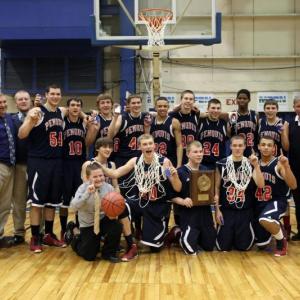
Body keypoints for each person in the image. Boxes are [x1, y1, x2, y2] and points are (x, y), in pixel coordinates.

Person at [99, 134, 182, 252]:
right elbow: (115, 174)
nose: (148, 146)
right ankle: (131, 245)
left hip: (157, 206)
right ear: (140, 147)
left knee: (154, 249)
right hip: (140, 201)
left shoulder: (164, 163)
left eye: (150, 143)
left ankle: (168, 234)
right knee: (120, 206)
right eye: (145, 144)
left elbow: (177, 188)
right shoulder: (135, 161)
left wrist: (174, 176)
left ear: (154, 146)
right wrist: (98, 164)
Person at [18, 84, 66, 252]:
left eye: (57, 93)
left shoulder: (61, 111)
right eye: (52, 94)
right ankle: (35, 237)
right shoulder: (36, 112)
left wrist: (85, 114)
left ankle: (49, 234)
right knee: (37, 202)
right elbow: (22, 134)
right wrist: (30, 120)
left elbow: (74, 110)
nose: (55, 96)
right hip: (39, 162)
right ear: (46, 95)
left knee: (52, 202)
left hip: (57, 162)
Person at [81, 137, 138, 261]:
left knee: (121, 207)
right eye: (104, 147)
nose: (108, 149)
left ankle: (128, 245)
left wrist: (115, 200)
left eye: (110, 147)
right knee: (90, 255)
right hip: (92, 208)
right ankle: (74, 234)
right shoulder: (88, 164)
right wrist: (106, 203)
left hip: (107, 204)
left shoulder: (112, 164)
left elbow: (116, 186)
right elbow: (86, 188)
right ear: (97, 149)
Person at [215, 135, 264, 251]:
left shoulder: (251, 164)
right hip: (227, 210)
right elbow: (216, 189)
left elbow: (261, 185)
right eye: (235, 145)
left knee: (244, 247)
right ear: (230, 146)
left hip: (245, 210)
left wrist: (256, 165)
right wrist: (217, 210)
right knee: (223, 247)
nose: (237, 148)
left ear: (244, 147)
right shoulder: (221, 164)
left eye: (240, 146)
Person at [66, 162, 123, 262]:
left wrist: (114, 213)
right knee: (89, 256)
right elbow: (73, 208)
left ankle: (108, 253)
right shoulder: (83, 188)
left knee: (116, 226)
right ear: (88, 178)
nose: (99, 178)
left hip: (102, 220)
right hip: (88, 224)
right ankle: (74, 234)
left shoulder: (108, 188)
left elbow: (116, 206)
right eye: (95, 176)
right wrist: (86, 194)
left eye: (101, 175)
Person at [170, 141, 216, 254]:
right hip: (189, 213)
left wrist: (213, 198)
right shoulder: (180, 172)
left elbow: (211, 192)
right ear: (188, 154)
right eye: (195, 152)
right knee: (190, 250)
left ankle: (196, 235)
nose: (199, 154)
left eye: (201, 152)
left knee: (209, 247)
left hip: (205, 213)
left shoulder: (206, 170)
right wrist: (183, 201)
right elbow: (171, 196)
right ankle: (178, 232)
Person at [254, 137, 297, 256]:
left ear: (274, 148)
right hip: (259, 204)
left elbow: (293, 185)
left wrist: (287, 167)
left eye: (269, 145)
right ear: (258, 147)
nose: (266, 147)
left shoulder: (279, 164)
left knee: (265, 219)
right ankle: (278, 227)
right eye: (263, 144)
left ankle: (281, 242)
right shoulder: (254, 163)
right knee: (261, 244)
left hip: (276, 201)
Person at [60, 97, 87, 242]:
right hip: (65, 164)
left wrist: (85, 116)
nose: (75, 108)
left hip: (80, 164)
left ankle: (78, 227)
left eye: (78, 105)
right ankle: (64, 230)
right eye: (73, 105)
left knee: (80, 199)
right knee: (64, 201)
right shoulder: (63, 122)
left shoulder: (84, 123)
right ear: (68, 107)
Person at [11, 90, 32, 245]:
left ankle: (40, 231)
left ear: (30, 101)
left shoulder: (38, 117)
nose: (23, 101)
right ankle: (18, 232)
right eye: (20, 99)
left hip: (37, 164)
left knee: (39, 200)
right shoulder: (10, 120)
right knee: (19, 201)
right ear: (16, 102)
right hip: (19, 166)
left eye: (26, 99)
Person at [107, 94, 148, 168]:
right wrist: (115, 117)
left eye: (138, 102)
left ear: (141, 103)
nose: (136, 105)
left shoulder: (146, 116)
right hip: (124, 157)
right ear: (128, 105)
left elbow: (159, 113)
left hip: (140, 157)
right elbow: (110, 136)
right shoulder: (122, 118)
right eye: (133, 103)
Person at [0, 93, 17, 248]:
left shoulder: (9, 119)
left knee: (5, 205)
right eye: (0, 102)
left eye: (4, 102)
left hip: (9, 166)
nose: (3, 104)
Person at [148, 96, 183, 168]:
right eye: (159, 106)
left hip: (168, 162)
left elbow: (179, 145)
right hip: (154, 162)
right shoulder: (150, 122)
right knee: (154, 179)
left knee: (167, 177)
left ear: (168, 107)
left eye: (165, 106)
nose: (162, 108)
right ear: (155, 108)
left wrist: (179, 165)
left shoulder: (174, 122)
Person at [169, 90, 200, 164]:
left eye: (191, 99)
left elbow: (209, 114)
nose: (188, 101)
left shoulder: (196, 115)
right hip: (175, 154)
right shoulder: (173, 115)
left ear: (194, 101)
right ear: (181, 100)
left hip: (191, 155)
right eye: (186, 98)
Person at [198, 98, 228, 170]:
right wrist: (201, 114)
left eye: (218, 108)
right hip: (202, 163)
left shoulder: (224, 123)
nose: (216, 110)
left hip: (218, 163)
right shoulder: (200, 121)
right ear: (207, 109)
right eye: (213, 108)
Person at [228, 89, 258, 157]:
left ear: (249, 100)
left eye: (244, 98)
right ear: (236, 99)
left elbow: (257, 134)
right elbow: (229, 134)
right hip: (237, 150)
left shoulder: (255, 114)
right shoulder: (233, 114)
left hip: (251, 151)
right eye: (240, 98)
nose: (242, 100)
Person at [288, 96, 300, 241]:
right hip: (296, 169)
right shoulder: (290, 125)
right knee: (298, 202)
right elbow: (287, 146)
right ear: (294, 107)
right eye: (298, 106)